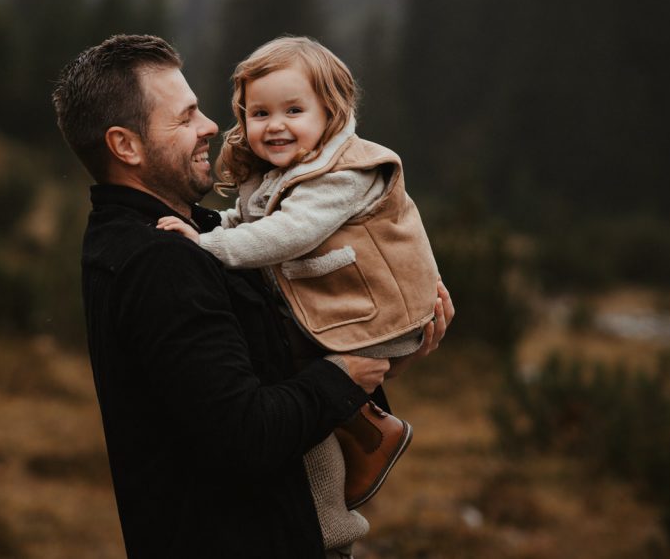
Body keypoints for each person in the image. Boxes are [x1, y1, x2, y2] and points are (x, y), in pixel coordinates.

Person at [52, 34, 453, 559]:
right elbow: (244, 434)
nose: (213, 126)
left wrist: (382, 352)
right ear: (125, 145)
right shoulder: (160, 259)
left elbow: (272, 371)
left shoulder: (185, 235)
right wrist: (340, 378)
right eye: (186, 115)